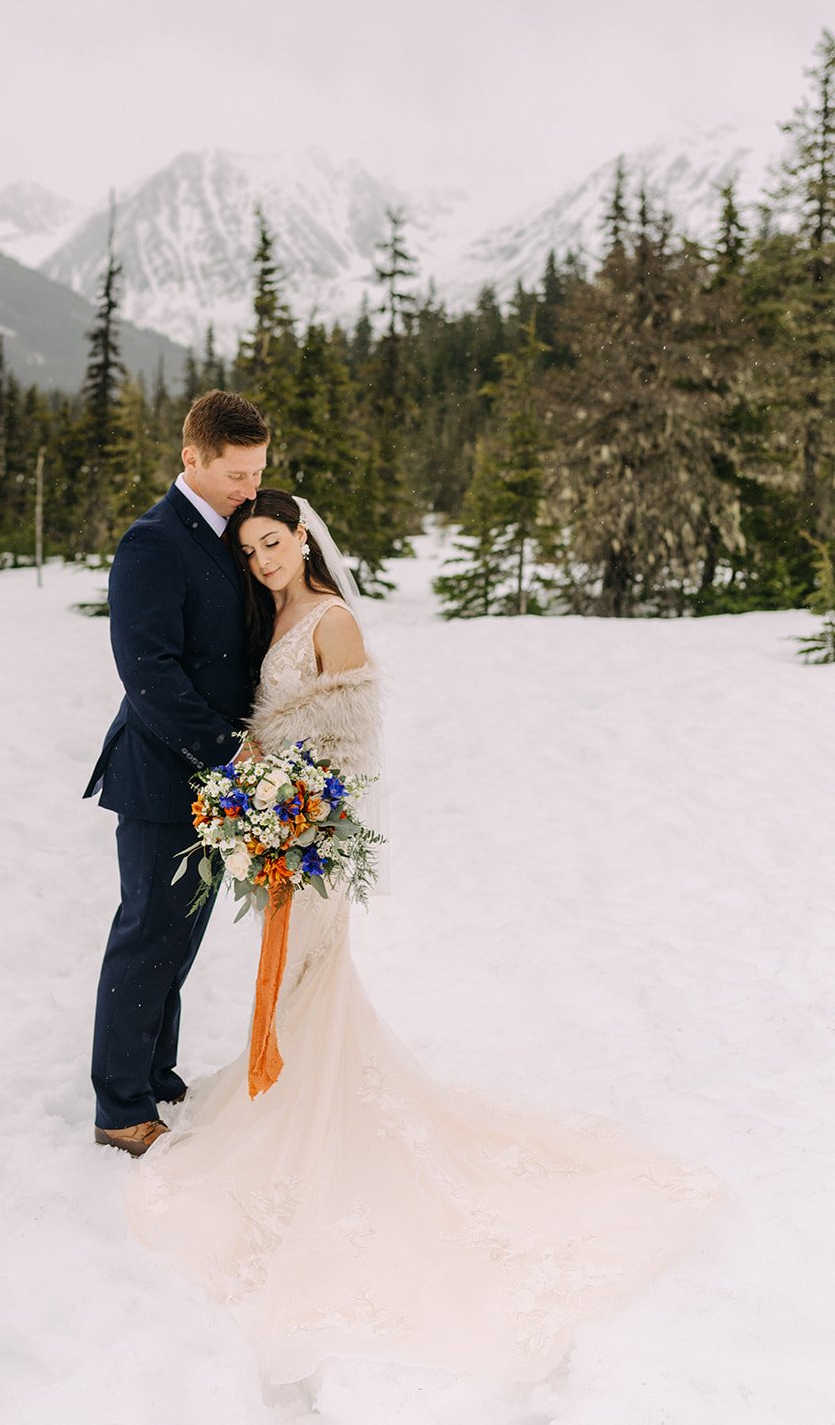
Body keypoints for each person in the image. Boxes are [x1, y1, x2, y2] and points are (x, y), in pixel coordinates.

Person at [125, 488, 719, 1389]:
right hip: (279, 827)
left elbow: (353, 747)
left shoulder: (330, 622)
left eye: (274, 543)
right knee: (291, 975)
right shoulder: (269, 614)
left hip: (314, 832)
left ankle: (306, 1106)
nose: (263, 561)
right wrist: (261, 807)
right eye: (249, 550)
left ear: (304, 539)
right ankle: (281, 1086)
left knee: (312, 972)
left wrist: (299, 815)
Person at [85, 391, 269, 1156]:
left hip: (214, 782)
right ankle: (121, 1106)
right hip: (165, 776)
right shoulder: (153, 543)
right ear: (191, 457)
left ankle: (155, 1074)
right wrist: (227, 753)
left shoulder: (233, 533)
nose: (250, 488)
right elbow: (148, 673)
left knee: (178, 941)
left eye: (258, 471)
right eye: (235, 473)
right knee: (146, 936)